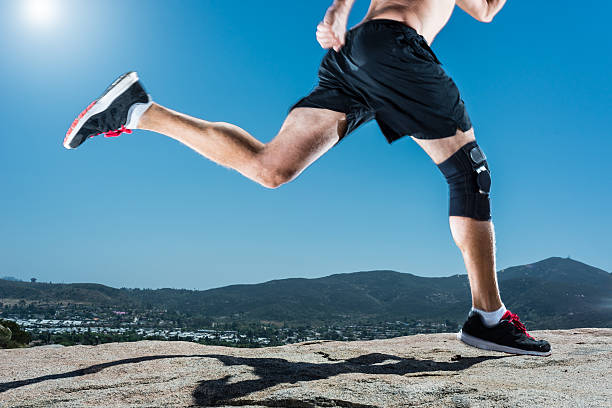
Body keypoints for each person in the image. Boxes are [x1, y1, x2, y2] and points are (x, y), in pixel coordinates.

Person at [64, 0, 551, 356]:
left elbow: (483, 9)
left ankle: (139, 110)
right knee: (470, 174)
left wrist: (340, 10)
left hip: (354, 55)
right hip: (392, 49)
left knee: (271, 167)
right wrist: (340, 7)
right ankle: (488, 317)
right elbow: (488, 11)